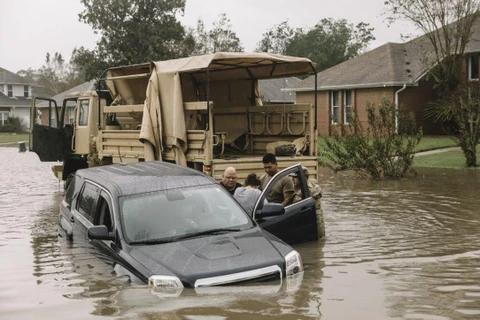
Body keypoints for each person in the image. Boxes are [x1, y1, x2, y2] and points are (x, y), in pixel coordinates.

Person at [289, 166, 325, 239]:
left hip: (315, 224)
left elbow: (295, 204)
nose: (292, 179)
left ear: (303, 178)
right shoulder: (297, 188)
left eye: (295, 177)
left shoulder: (311, 189)